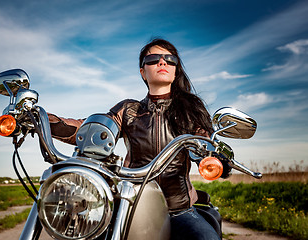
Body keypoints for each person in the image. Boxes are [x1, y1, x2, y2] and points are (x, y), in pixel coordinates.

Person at [48, 38, 221, 240]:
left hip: (180, 210)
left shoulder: (190, 110)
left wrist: (213, 157)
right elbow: (91, 130)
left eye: (169, 59)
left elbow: (204, 142)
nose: (162, 62)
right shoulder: (129, 110)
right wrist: (40, 118)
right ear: (142, 72)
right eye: (154, 59)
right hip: (134, 206)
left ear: (175, 70)